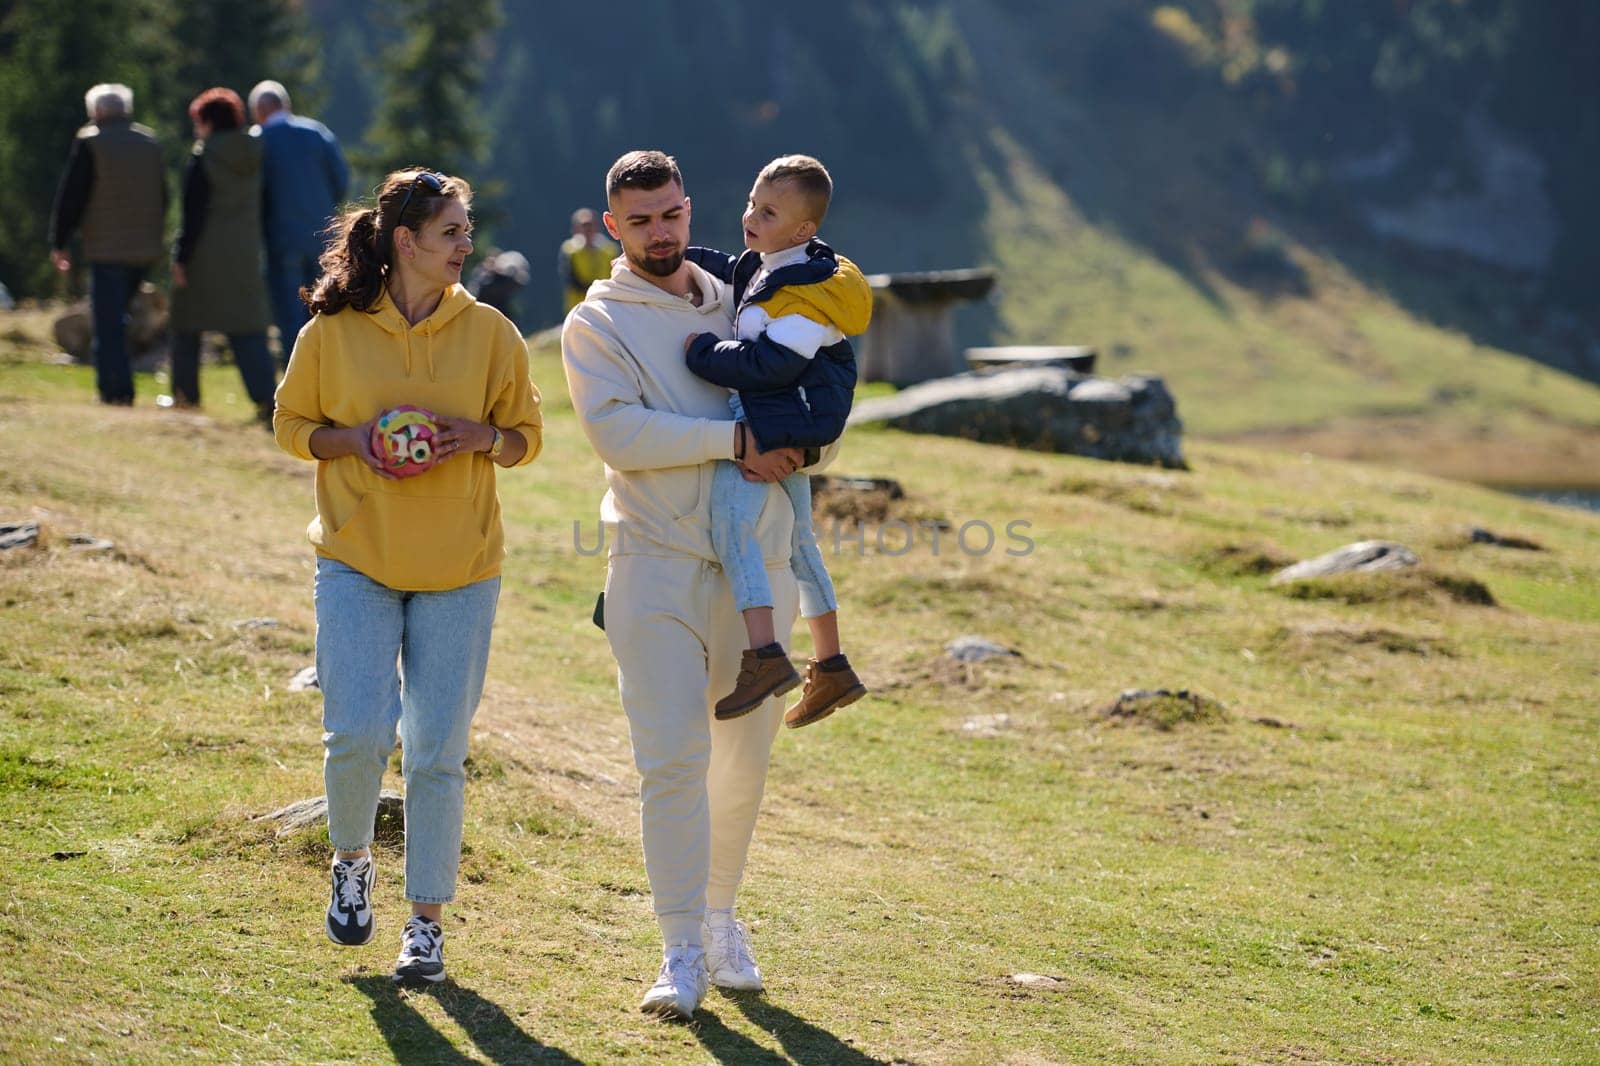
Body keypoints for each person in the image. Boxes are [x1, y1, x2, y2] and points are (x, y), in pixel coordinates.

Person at [562, 150, 820, 1020]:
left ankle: (719, 920)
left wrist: (807, 442)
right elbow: (619, 435)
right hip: (652, 562)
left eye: (670, 215)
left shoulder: (744, 298)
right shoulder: (596, 324)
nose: (660, 233)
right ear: (613, 228)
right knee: (671, 759)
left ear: (687, 208)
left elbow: (809, 386)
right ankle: (678, 949)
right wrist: (732, 444)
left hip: (760, 563)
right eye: (639, 222)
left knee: (743, 763)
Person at [273, 168, 544, 986]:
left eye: (466, 231)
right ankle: (351, 861)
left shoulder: (492, 331)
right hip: (356, 557)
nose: (467, 244)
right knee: (356, 732)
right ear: (405, 242)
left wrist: (477, 437)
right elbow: (291, 425)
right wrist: (354, 443)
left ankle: (426, 926)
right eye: (453, 232)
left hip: (461, 566)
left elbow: (527, 437)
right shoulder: (333, 330)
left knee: (437, 751)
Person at [683, 154, 871, 729]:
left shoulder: (810, 295)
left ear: (803, 229)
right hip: (786, 417)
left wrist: (700, 355)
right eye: (751, 203)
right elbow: (738, 271)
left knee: (731, 525)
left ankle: (765, 655)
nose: (750, 216)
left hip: (784, 418)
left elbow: (773, 364)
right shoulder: (778, 263)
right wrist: (676, 255)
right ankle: (832, 663)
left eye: (767, 211)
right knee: (800, 544)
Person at [48, 83, 165, 406]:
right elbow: (163, 196)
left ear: (96, 112)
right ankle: (122, 385)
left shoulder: (90, 143)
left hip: (107, 249)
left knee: (108, 323)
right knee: (123, 318)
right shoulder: (149, 142)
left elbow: (72, 196)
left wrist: (59, 242)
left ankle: (115, 390)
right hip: (144, 249)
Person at [168, 88, 276, 420]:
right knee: (247, 328)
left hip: (204, 255)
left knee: (186, 324)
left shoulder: (203, 158)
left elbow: (193, 213)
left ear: (207, 121)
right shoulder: (257, 153)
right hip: (244, 254)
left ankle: (185, 396)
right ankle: (266, 400)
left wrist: (180, 257)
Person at [249, 80, 351, 367]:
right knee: (324, 306)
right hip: (323, 236)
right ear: (286, 104)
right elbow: (341, 181)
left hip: (281, 238)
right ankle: (326, 371)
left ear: (259, 110)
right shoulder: (317, 133)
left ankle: (296, 375)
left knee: (289, 310)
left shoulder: (259, 139)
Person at [558, 208, 617, 315]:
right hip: (577, 306)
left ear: (597, 227)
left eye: (590, 225)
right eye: (584, 225)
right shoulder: (569, 251)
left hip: (605, 304)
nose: (587, 229)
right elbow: (570, 279)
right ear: (576, 229)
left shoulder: (610, 250)